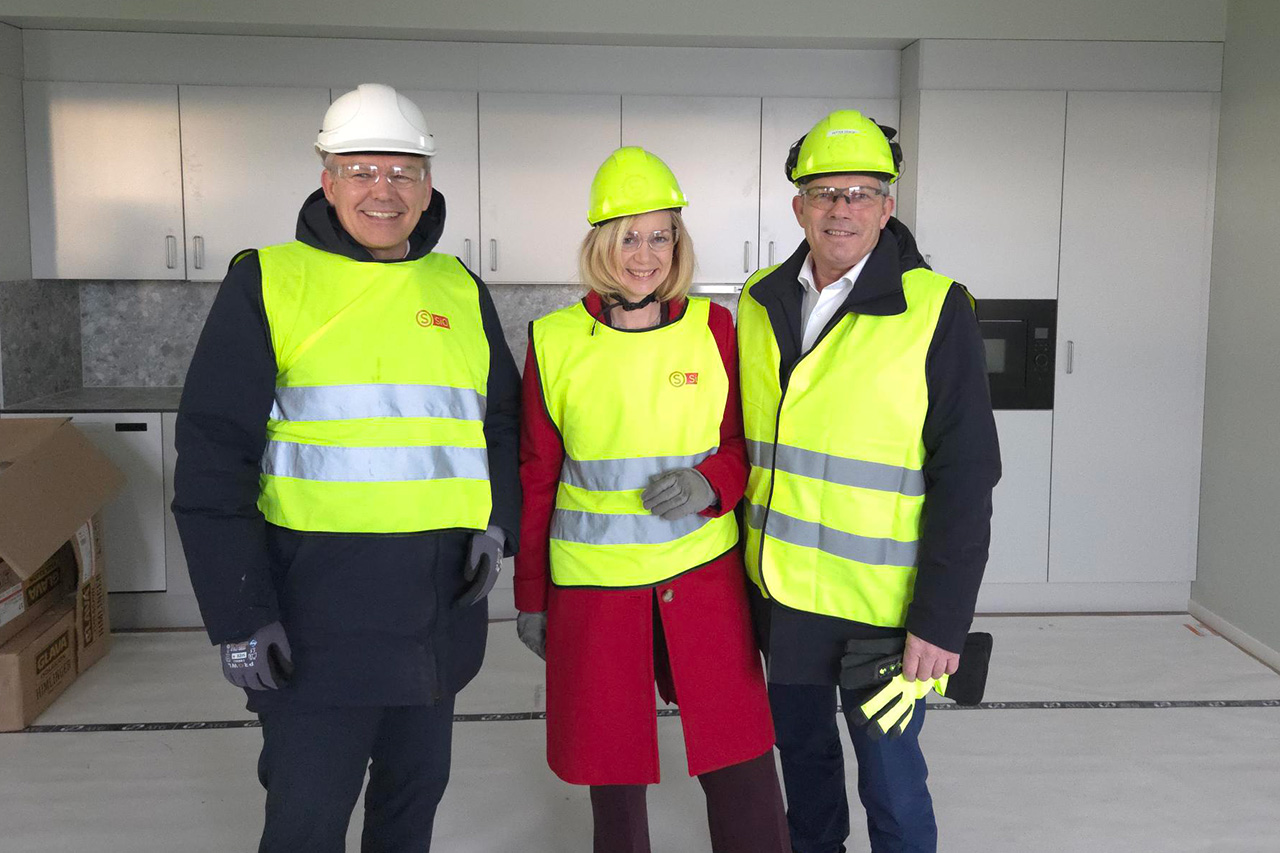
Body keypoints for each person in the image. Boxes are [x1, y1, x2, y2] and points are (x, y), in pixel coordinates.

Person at [172, 83, 521, 852]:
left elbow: (499, 422)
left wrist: (500, 527)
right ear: (326, 179)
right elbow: (211, 462)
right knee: (306, 820)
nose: (383, 190)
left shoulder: (460, 288)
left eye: (401, 171)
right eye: (362, 169)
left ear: (429, 185)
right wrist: (238, 617)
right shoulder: (266, 280)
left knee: (410, 808)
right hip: (313, 622)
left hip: (434, 616)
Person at [736, 110, 1001, 853]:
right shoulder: (758, 302)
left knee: (890, 778)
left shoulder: (936, 309)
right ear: (798, 207)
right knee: (806, 768)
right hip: (781, 600)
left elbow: (967, 472)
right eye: (825, 193)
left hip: (883, 615)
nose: (841, 209)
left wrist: (941, 620)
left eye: (861, 193)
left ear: (888, 207)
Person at [513, 147, 789, 853]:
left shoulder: (715, 330)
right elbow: (538, 476)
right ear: (601, 244)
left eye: (660, 235)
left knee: (742, 765)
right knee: (616, 779)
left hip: (701, 582)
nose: (645, 254)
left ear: (678, 242)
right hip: (597, 592)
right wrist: (532, 597)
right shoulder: (553, 343)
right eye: (628, 236)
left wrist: (710, 483)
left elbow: (743, 447)